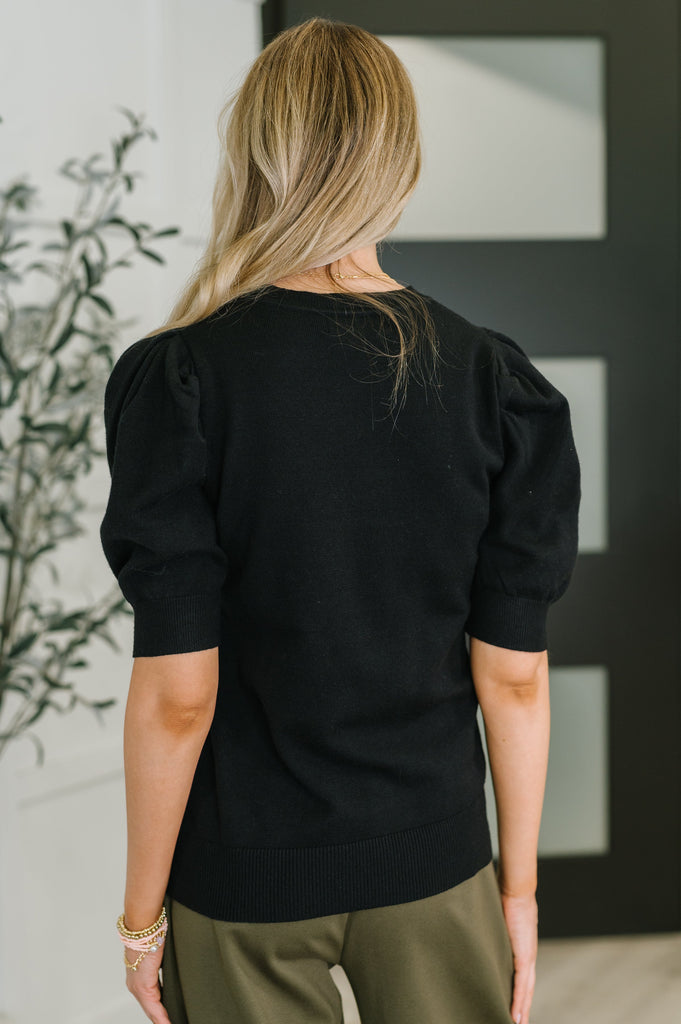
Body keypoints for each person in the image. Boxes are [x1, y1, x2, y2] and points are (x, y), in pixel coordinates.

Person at [99, 16, 581, 1024]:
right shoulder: (495, 382)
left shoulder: (179, 379)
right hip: (434, 863)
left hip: (243, 879)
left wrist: (142, 919)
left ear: (255, 157)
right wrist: (518, 892)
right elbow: (514, 676)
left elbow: (179, 697)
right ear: (400, 165)